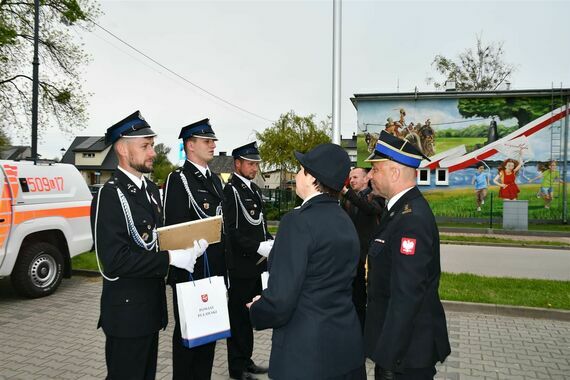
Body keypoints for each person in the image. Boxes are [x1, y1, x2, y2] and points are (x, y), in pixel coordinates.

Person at [91, 111, 208, 380]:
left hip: (150, 312)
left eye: (152, 145)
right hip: (127, 315)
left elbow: (156, 239)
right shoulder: (110, 195)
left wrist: (187, 248)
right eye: (145, 146)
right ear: (122, 148)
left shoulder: (151, 190)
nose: (152, 152)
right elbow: (113, 262)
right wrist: (169, 259)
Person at [247, 143, 366, 380]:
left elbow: (282, 299)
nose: (298, 176)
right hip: (345, 347)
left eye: (301, 170)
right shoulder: (345, 220)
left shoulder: (297, 222)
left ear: (312, 177)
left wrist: (259, 309)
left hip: (306, 354)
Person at [364, 130, 451, 380]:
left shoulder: (411, 219)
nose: (370, 175)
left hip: (406, 355)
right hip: (402, 347)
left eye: (375, 169)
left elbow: (406, 295)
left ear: (394, 172)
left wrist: (389, 359)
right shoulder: (398, 211)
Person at [162, 118, 228, 380]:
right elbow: (173, 231)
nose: (213, 145)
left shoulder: (215, 180)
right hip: (191, 274)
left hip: (215, 273)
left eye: (213, 141)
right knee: (188, 341)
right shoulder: (178, 179)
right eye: (207, 141)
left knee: (209, 339)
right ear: (190, 145)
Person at [224, 142, 273, 380]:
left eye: (256, 164)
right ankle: (237, 367)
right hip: (241, 267)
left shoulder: (252, 189)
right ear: (238, 164)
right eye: (250, 164)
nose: (254, 168)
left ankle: (247, 360)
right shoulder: (230, 191)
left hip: (257, 266)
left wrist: (270, 241)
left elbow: (260, 225)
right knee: (238, 319)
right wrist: (257, 246)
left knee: (249, 315)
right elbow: (231, 233)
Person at [341, 167, 384, 330]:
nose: (351, 181)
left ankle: (369, 335)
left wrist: (346, 192)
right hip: (351, 259)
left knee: (369, 301)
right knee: (354, 299)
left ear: (366, 179)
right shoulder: (347, 200)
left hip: (368, 259)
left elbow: (370, 209)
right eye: (350, 178)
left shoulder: (376, 197)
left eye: (355, 177)